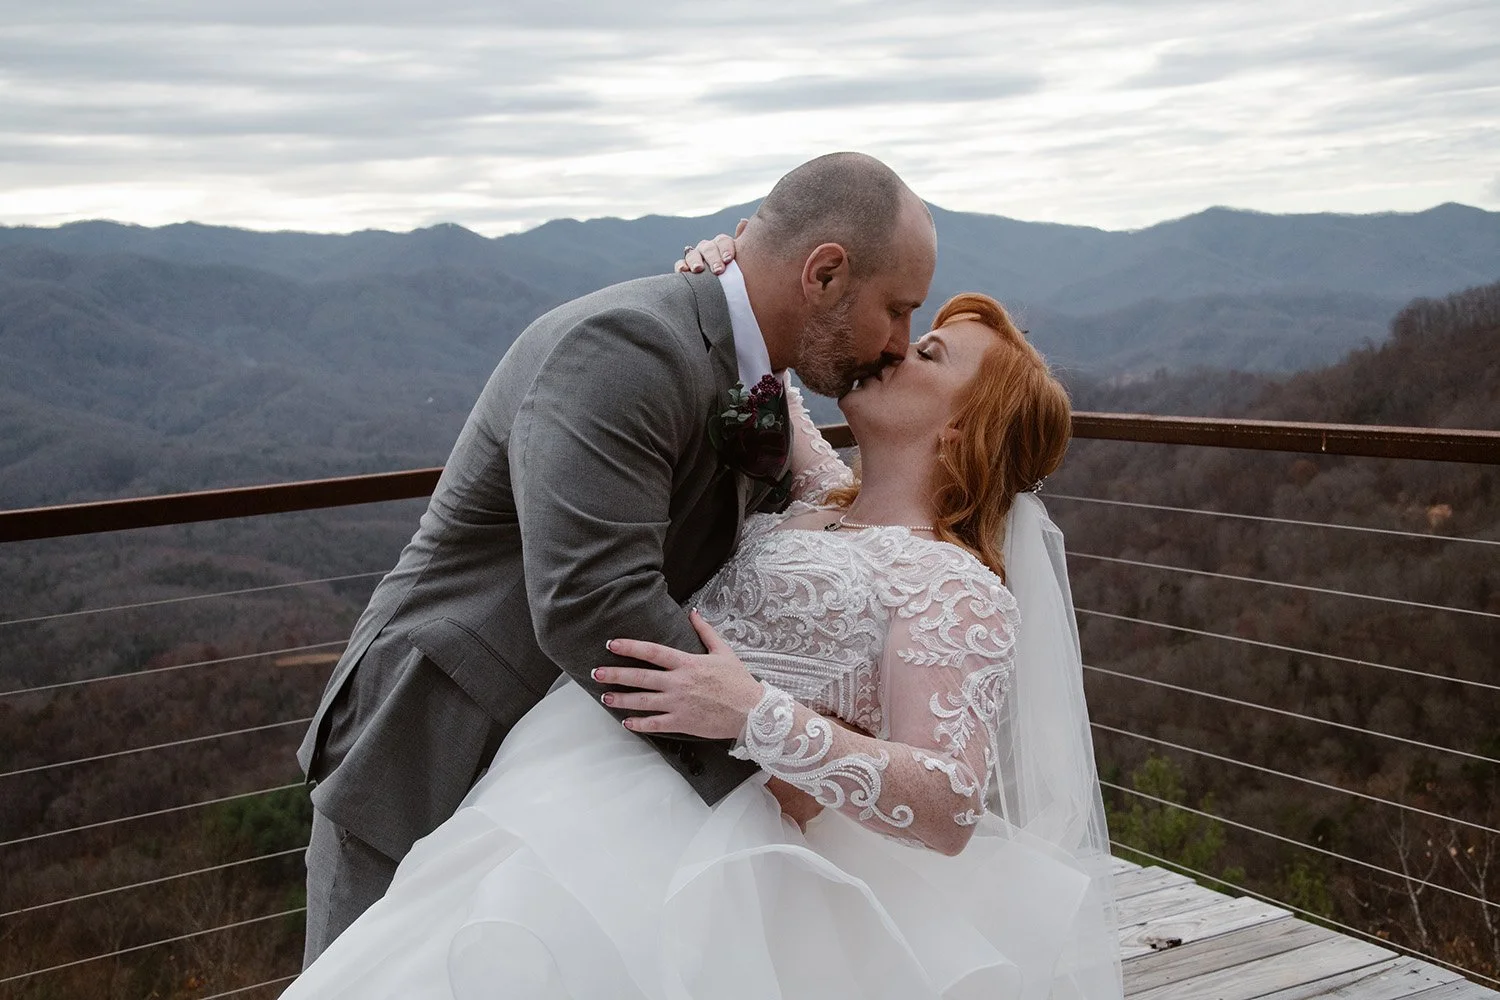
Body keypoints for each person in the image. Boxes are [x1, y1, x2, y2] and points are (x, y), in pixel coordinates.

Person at [283, 246, 1124, 997]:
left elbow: (949, 804)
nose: (897, 346)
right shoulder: (821, 494)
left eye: (929, 351)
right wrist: (729, 269)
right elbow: (763, 358)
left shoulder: (953, 585)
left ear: (964, 428)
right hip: (564, 776)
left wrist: (757, 715)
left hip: (712, 844)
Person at [294, 151, 938, 964]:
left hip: (567, 770)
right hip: (440, 739)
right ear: (825, 273)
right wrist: (767, 762)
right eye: (897, 310)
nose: (900, 343)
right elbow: (592, 595)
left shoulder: (755, 377)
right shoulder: (627, 346)